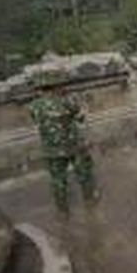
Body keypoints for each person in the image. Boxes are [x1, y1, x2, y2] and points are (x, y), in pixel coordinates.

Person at [28, 78, 99, 215]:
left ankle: (62, 209)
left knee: (58, 179)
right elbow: (80, 118)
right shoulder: (67, 101)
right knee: (84, 173)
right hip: (73, 145)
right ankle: (89, 199)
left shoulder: (33, 106)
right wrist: (84, 108)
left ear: (41, 90)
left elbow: (37, 120)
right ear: (56, 87)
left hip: (52, 149)